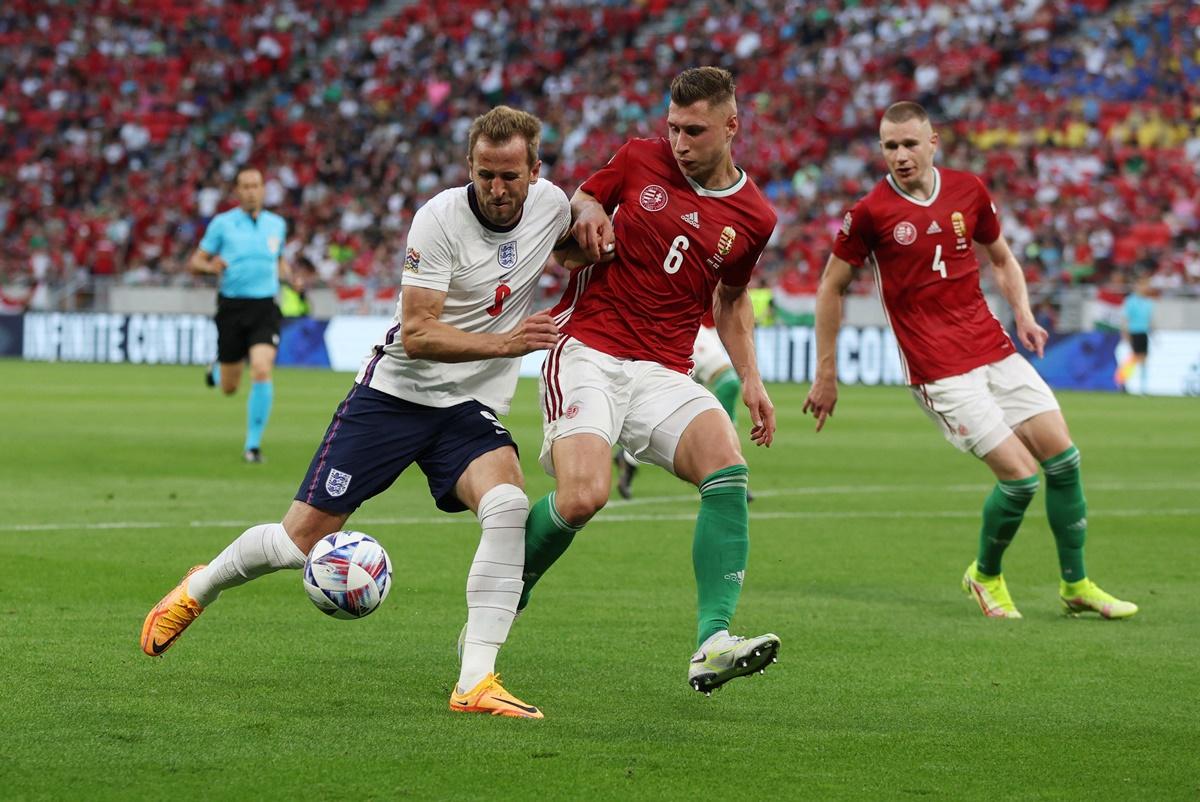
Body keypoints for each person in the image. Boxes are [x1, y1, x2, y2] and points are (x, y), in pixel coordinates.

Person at [144, 106, 578, 719]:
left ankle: (474, 681)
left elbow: (580, 236)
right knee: (299, 542)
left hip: (467, 407)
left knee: (507, 505)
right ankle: (200, 586)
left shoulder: (551, 205)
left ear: (535, 171)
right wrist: (509, 343)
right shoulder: (439, 219)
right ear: (468, 168)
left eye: (511, 176)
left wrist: (592, 221)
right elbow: (420, 334)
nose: (498, 190)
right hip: (394, 396)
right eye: (486, 174)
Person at [803, 101, 1137, 620]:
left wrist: (1023, 315)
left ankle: (1077, 585)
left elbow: (1001, 258)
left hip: (992, 345)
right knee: (1022, 479)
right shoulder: (870, 213)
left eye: (910, 143)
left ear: (933, 142)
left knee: (1065, 462)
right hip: (937, 365)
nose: (900, 155)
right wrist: (826, 373)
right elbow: (831, 287)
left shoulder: (969, 190)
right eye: (890, 146)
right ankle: (984, 574)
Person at [522, 67, 781, 695]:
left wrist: (751, 379)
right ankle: (507, 584)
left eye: (694, 131)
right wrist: (588, 216)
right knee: (585, 495)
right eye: (673, 127)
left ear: (730, 127)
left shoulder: (754, 217)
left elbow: (732, 301)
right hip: (588, 346)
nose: (680, 142)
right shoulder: (640, 159)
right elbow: (584, 199)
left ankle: (713, 640)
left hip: (665, 368)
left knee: (726, 468)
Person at [189, 167, 291, 463]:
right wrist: (211, 267)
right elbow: (196, 261)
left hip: (264, 307)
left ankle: (253, 446)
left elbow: (280, 260)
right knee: (229, 388)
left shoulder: (277, 224)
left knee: (261, 368)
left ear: (262, 190)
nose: (250, 191)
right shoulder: (222, 224)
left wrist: (290, 275)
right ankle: (219, 369)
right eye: (244, 186)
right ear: (237, 191)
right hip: (232, 307)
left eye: (255, 186)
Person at [614, 311, 754, 503]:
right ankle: (726, 467)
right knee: (727, 383)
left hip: (715, 327)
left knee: (684, 403)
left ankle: (628, 458)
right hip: (683, 321)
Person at [1115, 273, 1154, 394]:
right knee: (1134, 358)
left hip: (1144, 333)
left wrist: (1153, 333)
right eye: (1143, 285)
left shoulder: (1149, 302)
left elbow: (1149, 320)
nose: (1145, 287)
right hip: (1134, 332)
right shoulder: (1131, 301)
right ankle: (1121, 381)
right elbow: (1125, 319)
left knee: (1144, 360)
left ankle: (1143, 387)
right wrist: (1126, 333)